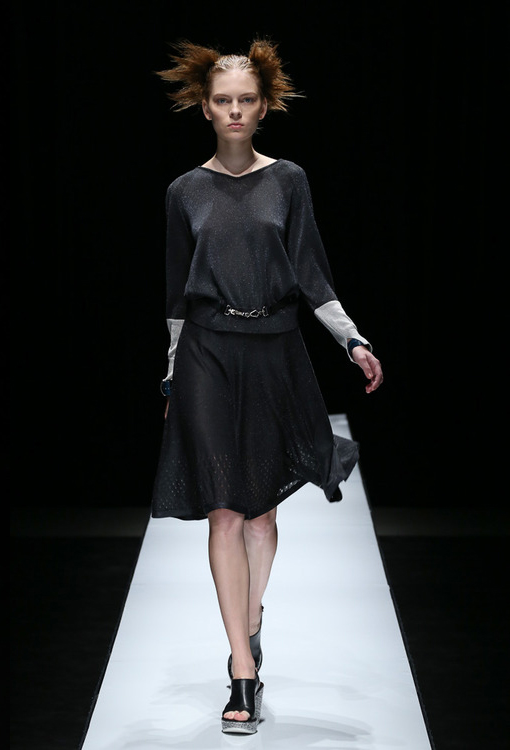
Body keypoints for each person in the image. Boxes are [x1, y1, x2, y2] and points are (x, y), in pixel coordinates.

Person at [151, 39, 383, 735]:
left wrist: (352, 339)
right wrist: (172, 371)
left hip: (275, 350)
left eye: (246, 100)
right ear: (204, 107)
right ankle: (242, 669)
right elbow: (175, 293)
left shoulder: (289, 181)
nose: (234, 110)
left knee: (260, 514)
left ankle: (251, 619)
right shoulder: (183, 192)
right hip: (208, 353)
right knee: (224, 510)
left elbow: (311, 271)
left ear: (264, 106)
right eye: (222, 100)